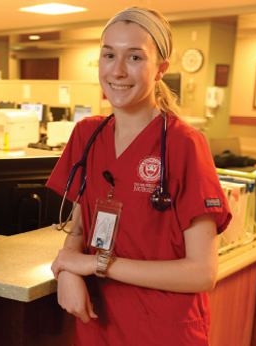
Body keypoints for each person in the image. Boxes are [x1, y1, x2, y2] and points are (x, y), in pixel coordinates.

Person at [47, 7, 231, 346]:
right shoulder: (87, 133)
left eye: (134, 57)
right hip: (99, 320)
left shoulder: (184, 144)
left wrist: (95, 264)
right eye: (108, 55)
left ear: (161, 69)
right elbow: (80, 223)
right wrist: (69, 270)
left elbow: (202, 273)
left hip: (162, 328)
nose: (117, 71)